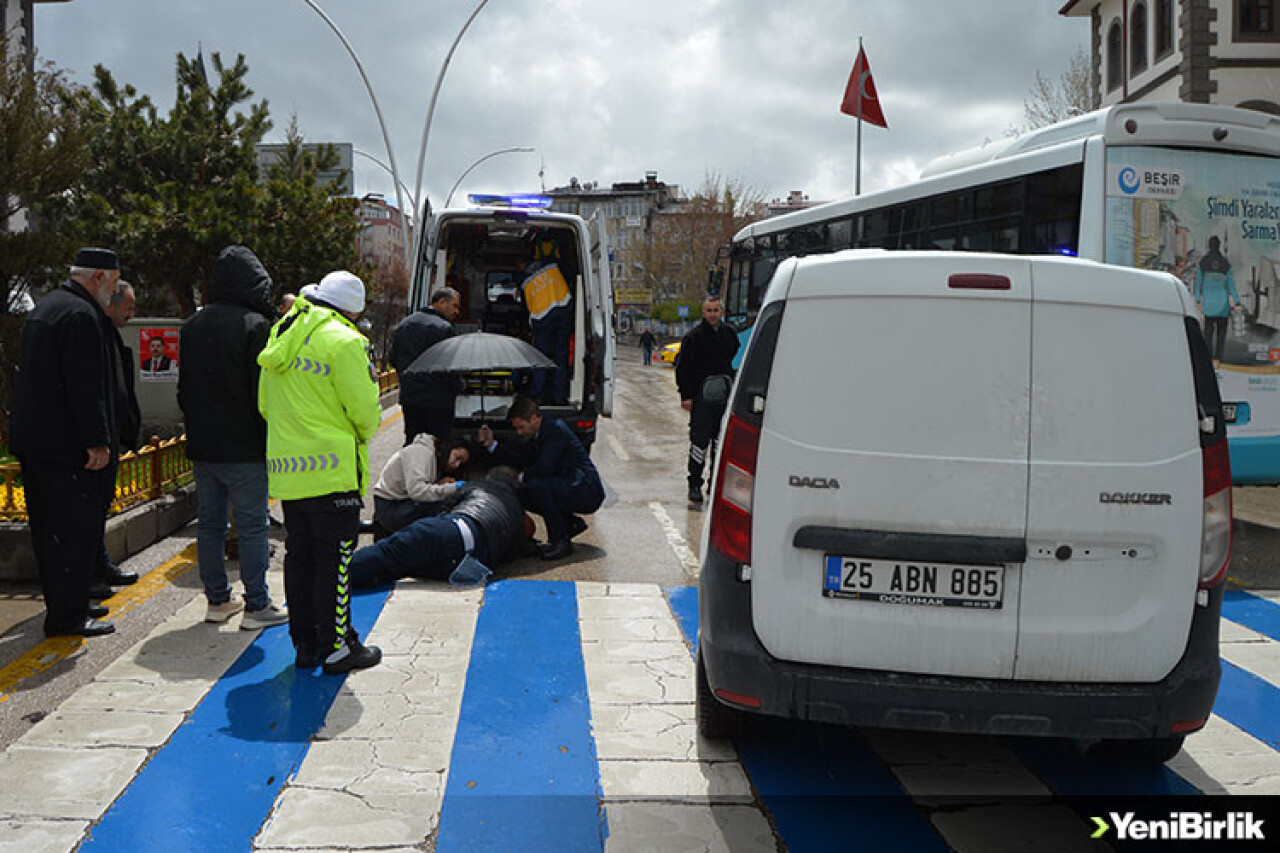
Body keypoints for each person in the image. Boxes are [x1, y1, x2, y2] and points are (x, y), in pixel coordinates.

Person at [258, 270, 383, 674]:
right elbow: (365, 413)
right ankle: (337, 646)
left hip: (289, 473)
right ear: (351, 310)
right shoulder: (346, 342)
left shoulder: (283, 334)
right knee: (336, 559)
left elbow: (264, 405)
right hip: (332, 473)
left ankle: (306, 643)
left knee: (301, 556)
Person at [8, 248, 122, 637]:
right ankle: (68, 616)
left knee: (51, 532)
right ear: (98, 278)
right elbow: (83, 388)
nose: (115, 291)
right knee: (72, 533)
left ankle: (69, 603)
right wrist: (98, 441)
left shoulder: (48, 307)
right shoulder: (80, 315)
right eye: (113, 281)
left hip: (38, 442)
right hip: (65, 448)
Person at [178, 246, 287, 630]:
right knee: (253, 525)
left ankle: (218, 600)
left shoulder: (192, 325)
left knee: (210, 526)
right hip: (245, 448)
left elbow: (184, 388)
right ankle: (257, 604)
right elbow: (263, 394)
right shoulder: (256, 325)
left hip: (203, 446)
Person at [351, 467, 526, 588]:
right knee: (402, 564)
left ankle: (333, 576)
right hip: (472, 562)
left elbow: (444, 507)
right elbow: (510, 555)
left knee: (390, 553)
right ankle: (353, 576)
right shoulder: (516, 511)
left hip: (455, 529)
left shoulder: (480, 485)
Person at [477, 395, 603, 561]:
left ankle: (560, 542)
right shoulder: (536, 435)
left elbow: (545, 467)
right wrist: (492, 445)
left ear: (535, 419)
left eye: (522, 427)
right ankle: (568, 524)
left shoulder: (554, 429)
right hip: (568, 484)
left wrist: (524, 476)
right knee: (523, 493)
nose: (519, 432)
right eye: (517, 428)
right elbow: (520, 460)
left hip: (586, 489)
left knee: (536, 486)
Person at [88, 281, 143, 600]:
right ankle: (91, 573)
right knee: (90, 512)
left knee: (100, 509)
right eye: (129, 308)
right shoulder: (94, 332)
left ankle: (101, 564)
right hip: (98, 441)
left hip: (113, 435)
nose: (132, 316)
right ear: (111, 304)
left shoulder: (111, 335)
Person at [675, 295, 740, 505]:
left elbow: (735, 357)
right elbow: (683, 368)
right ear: (703, 313)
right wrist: (686, 396)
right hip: (700, 398)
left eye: (716, 310)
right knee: (699, 443)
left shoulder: (730, 334)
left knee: (721, 443)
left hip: (724, 396)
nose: (712, 314)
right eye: (709, 310)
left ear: (721, 312)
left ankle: (716, 483)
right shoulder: (693, 337)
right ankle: (695, 484)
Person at [391, 287, 460, 444]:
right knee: (436, 445)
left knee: (413, 441)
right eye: (454, 306)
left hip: (411, 398)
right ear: (441, 302)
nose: (456, 312)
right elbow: (450, 368)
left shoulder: (405, 324)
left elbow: (394, 359)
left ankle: (411, 468)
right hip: (438, 401)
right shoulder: (444, 329)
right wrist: (457, 387)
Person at [372, 434, 472, 533]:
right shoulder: (422, 452)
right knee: (440, 506)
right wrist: (453, 488)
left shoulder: (432, 456)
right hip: (390, 507)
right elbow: (417, 491)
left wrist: (440, 485)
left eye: (461, 463)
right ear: (449, 447)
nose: (457, 464)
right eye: (457, 457)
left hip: (398, 503)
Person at [521, 235, 574, 404]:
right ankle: (559, 396)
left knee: (540, 357)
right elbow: (572, 279)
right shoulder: (556, 264)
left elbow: (525, 306)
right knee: (561, 355)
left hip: (541, 318)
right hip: (563, 312)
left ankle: (537, 395)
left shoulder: (524, 277)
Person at [1194, 235, 1242, 363]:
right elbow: (1231, 285)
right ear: (1219, 245)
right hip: (1223, 307)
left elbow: (1198, 283)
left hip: (1209, 306)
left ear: (1209, 245)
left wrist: (1198, 299)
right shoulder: (1226, 264)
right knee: (1221, 334)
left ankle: (1208, 358)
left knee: (1208, 333)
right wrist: (1237, 301)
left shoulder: (1203, 263)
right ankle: (1219, 357)